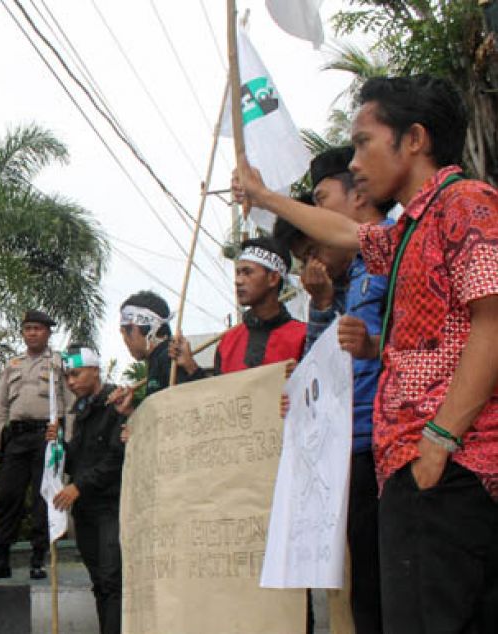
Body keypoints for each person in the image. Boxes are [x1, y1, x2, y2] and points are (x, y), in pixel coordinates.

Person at [235, 75, 498, 633]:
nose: (353, 161)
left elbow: (493, 323)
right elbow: (344, 231)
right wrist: (263, 197)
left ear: (415, 139)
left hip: (451, 468)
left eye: (363, 142)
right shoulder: (407, 230)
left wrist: (439, 441)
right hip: (412, 468)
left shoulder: (465, 203)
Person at [272, 147, 393, 633]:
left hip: (390, 445)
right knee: (367, 584)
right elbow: (330, 360)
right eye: (304, 257)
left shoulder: (391, 256)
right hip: (352, 448)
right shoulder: (342, 287)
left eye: (316, 243)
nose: (314, 259)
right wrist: (304, 398)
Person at [0, 310, 73, 581]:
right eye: (28, 328)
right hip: (17, 437)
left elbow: (70, 404)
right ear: (22, 332)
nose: (32, 333)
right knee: (8, 497)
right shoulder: (12, 364)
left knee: (43, 499)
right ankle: (1, 559)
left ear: (48, 332)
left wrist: (69, 438)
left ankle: (38, 559)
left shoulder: (59, 363)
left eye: (38, 328)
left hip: (46, 436)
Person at [45, 346, 124, 634]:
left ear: (95, 370)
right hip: (85, 509)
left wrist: (79, 486)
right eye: (67, 376)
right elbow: (78, 458)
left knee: (112, 580)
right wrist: (59, 446)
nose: (70, 382)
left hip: (110, 507)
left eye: (76, 374)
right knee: (99, 584)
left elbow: (115, 458)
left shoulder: (117, 402)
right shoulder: (80, 410)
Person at [170, 236, 306, 377]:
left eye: (247, 272)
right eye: (237, 272)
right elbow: (219, 395)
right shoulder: (228, 342)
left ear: (273, 278)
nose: (238, 281)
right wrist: (190, 366)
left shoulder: (303, 337)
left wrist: (301, 378)